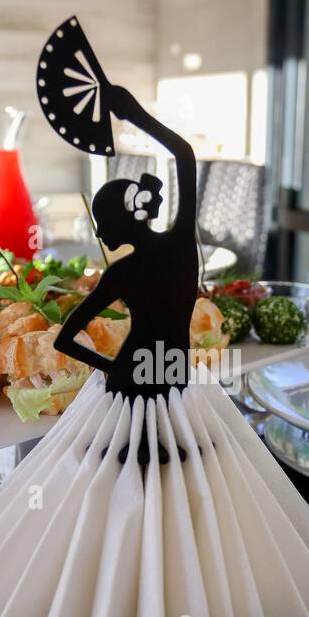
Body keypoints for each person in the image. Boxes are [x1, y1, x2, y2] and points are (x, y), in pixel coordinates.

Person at [55, 86, 198, 399]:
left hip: (130, 375)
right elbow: (184, 155)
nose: (98, 233)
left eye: (103, 223)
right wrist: (136, 116)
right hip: (175, 372)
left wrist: (112, 367)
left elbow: (64, 339)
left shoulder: (120, 273)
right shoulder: (182, 244)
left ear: (122, 220)